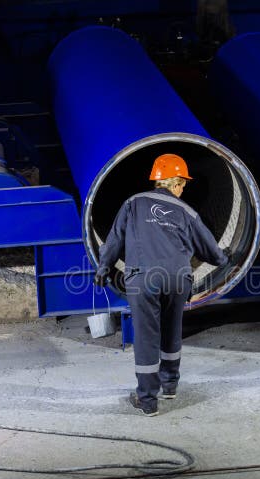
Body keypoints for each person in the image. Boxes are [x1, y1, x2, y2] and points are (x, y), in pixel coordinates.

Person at [94, 153, 230, 416]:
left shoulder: (132, 203)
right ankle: (170, 387)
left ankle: (147, 400)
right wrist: (225, 257)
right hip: (178, 278)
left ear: (157, 182)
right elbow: (211, 251)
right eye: (183, 185)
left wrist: (103, 267)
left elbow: (114, 241)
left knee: (147, 338)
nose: (183, 190)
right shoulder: (187, 211)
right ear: (177, 183)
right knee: (171, 330)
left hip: (144, 278)